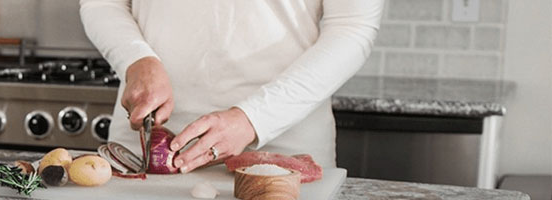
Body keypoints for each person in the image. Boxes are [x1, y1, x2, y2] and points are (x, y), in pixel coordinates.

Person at [80, 0, 383, 173]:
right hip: (144, 148)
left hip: (280, 153)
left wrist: (255, 118)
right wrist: (135, 58)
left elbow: (351, 28)